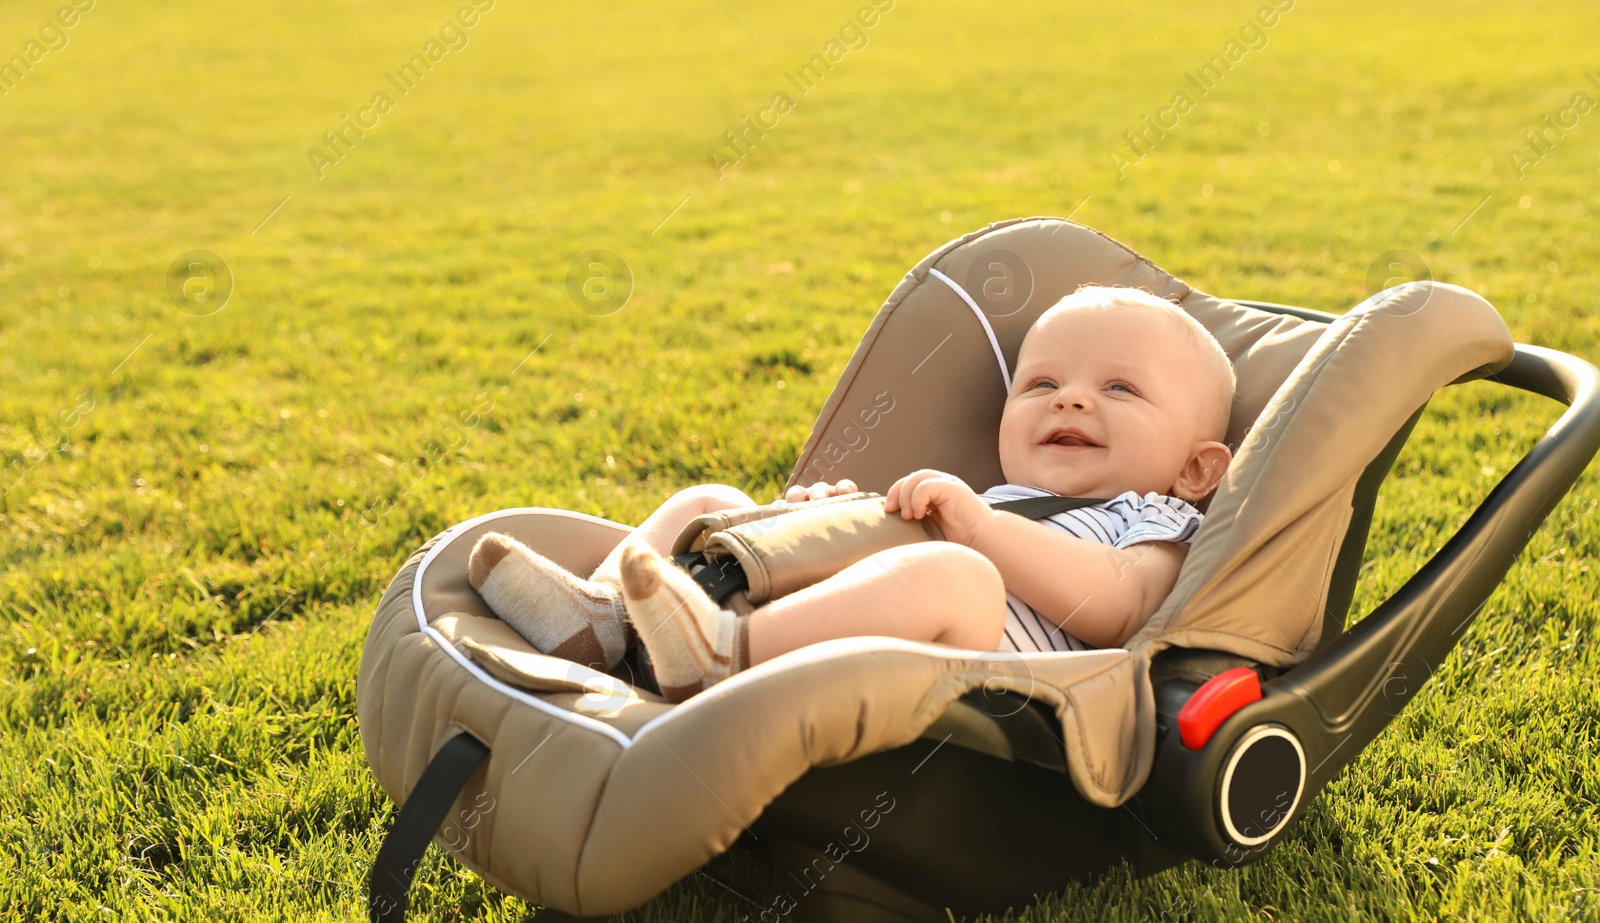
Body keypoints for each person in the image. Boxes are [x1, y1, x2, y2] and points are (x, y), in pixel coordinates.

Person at [468, 285, 1236, 702]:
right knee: (710, 499)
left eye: (1119, 388)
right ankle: (601, 619)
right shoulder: (988, 495)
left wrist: (979, 532)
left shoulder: (1156, 520)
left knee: (961, 576)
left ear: (1197, 470)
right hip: (825, 624)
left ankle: (723, 659)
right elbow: (882, 568)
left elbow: (1119, 607)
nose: (1068, 401)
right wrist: (822, 525)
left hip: (978, 683)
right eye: (1042, 383)